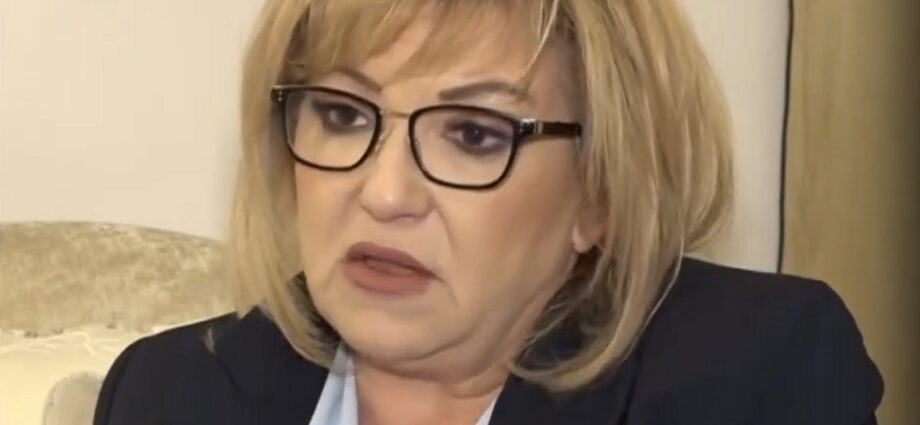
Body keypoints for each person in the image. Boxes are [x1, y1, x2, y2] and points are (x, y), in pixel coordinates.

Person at [93, 1, 883, 424]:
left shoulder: (755, 378)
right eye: (342, 114)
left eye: (473, 134)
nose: (386, 194)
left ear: (600, 190)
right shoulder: (171, 393)